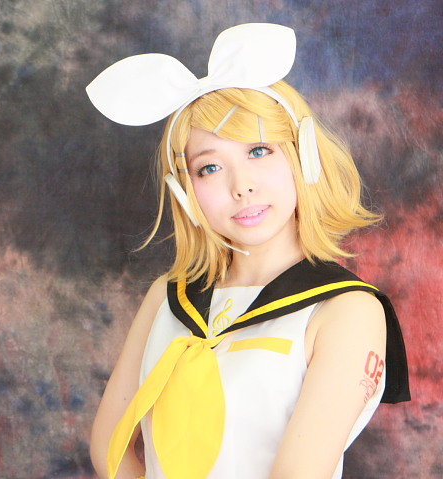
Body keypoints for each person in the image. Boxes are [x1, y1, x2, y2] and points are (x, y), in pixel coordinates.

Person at [85, 23, 410, 479]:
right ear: (184, 193)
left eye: (259, 151)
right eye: (209, 168)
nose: (242, 186)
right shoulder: (168, 297)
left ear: (303, 155)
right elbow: (109, 447)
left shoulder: (346, 310)